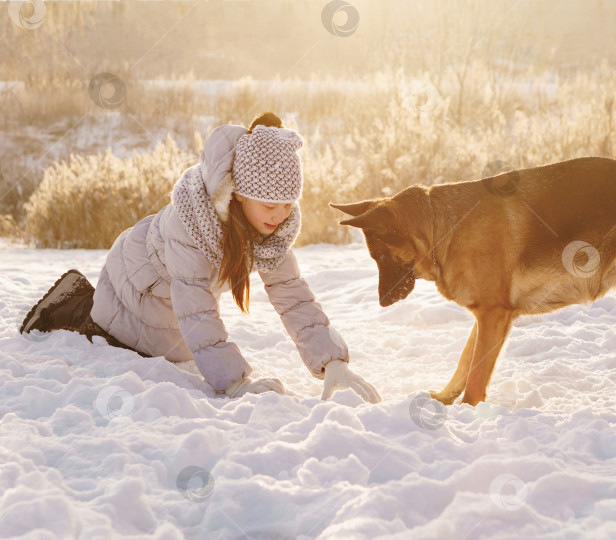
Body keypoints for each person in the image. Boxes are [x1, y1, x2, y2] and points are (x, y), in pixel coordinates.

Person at [19, 112, 381, 403]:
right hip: (133, 281)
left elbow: (292, 293)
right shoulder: (190, 222)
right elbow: (196, 306)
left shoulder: (271, 229)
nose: (281, 215)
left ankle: (88, 303)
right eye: (271, 204)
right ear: (239, 194)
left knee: (170, 344)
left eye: (289, 204)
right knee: (124, 337)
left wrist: (332, 361)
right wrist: (234, 382)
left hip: (168, 298)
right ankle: (69, 305)